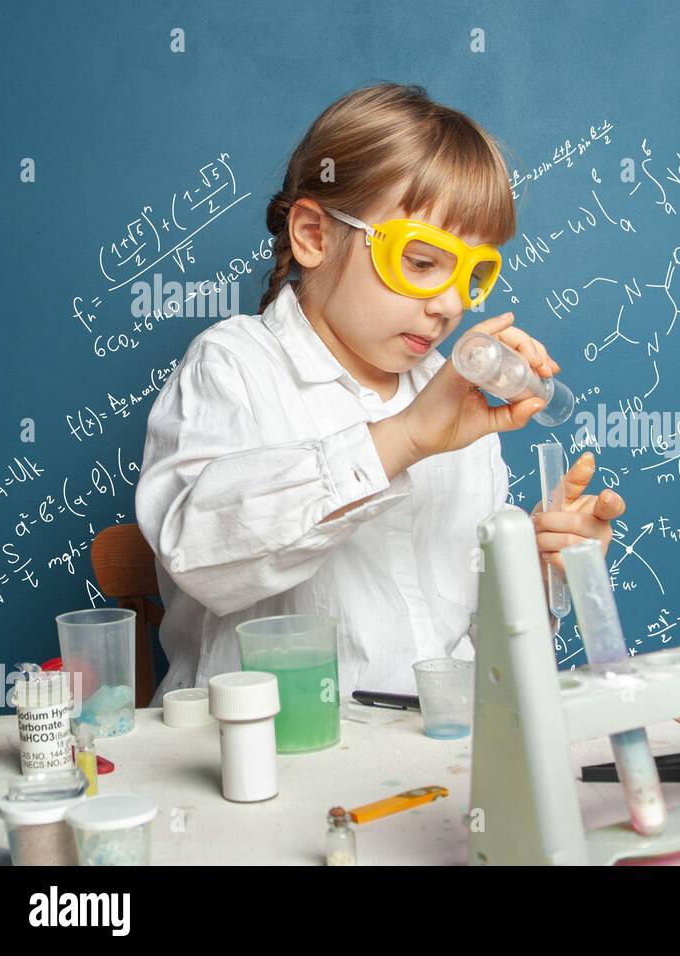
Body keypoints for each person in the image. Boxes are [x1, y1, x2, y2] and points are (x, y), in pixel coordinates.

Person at [135, 83, 624, 703]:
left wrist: (539, 568)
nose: (449, 305)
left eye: (473, 275)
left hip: (434, 753)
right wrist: (404, 438)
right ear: (313, 234)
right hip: (273, 762)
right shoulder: (234, 366)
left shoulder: (453, 396)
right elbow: (200, 554)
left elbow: (479, 640)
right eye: (420, 262)